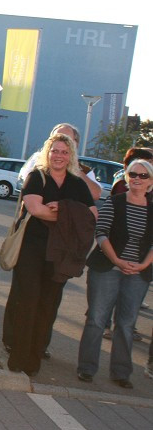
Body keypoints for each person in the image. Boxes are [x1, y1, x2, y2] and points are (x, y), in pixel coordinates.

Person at [5, 122, 103, 356]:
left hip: (61, 252)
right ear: (48, 148)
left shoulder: (79, 179)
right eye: (55, 147)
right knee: (26, 298)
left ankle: (37, 349)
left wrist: (63, 208)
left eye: (66, 148)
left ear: (73, 150)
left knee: (48, 303)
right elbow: (36, 209)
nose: (59, 154)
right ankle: (17, 346)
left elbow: (93, 211)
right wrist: (70, 216)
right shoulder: (37, 174)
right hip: (31, 247)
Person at [76, 159, 153, 389]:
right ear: (127, 177)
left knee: (127, 323)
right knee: (97, 319)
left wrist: (142, 266)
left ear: (150, 181)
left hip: (138, 273)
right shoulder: (114, 202)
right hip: (107, 268)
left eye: (143, 175)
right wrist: (117, 260)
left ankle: (121, 373)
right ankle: (87, 368)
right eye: (133, 174)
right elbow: (101, 234)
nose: (137, 179)